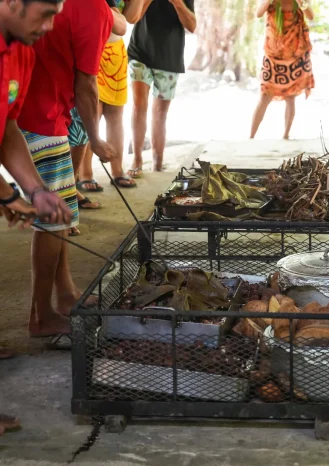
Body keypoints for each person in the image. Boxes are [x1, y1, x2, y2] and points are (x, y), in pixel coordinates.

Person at [17, 0, 117, 342]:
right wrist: (95, 139)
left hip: (33, 109)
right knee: (52, 221)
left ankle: (66, 295)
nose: (47, 24)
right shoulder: (94, 8)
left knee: (61, 215)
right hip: (41, 116)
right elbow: (87, 82)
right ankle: (41, 315)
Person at [0, 0, 73, 437]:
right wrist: (6, 194)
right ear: (10, 2)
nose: (49, 26)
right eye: (44, 13)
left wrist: (36, 190)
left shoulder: (23, 51)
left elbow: (6, 129)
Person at [77, 0, 145, 193]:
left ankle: (117, 170)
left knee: (115, 115)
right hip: (93, 49)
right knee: (93, 113)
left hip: (116, 51)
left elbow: (130, 19)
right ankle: (85, 174)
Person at [126, 0, 196, 177]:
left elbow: (192, 26)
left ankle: (157, 162)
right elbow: (132, 18)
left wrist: (178, 4)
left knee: (160, 113)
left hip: (169, 56)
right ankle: (137, 159)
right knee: (139, 105)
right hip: (139, 52)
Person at [250, 0, 314, 140]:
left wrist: (301, 2)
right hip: (273, 57)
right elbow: (259, 13)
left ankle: (286, 136)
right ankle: (251, 137)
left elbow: (310, 16)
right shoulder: (272, 2)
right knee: (265, 96)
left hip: (294, 58)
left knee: (291, 97)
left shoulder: (299, 2)